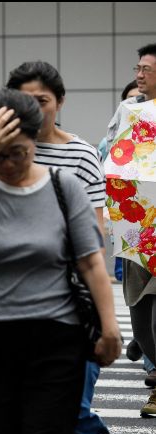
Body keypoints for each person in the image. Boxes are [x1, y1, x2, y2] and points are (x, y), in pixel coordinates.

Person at [0, 89, 121, 434]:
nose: (8, 164)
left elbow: (91, 261)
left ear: (34, 142)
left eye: (19, 153)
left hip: (55, 341)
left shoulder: (64, 187)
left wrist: (110, 328)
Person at [6, 60, 109, 434]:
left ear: (60, 103)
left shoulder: (81, 155)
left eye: (42, 100)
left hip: (72, 300)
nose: (33, 108)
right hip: (14, 302)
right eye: (24, 100)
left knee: (74, 408)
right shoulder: (0, 152)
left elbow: (95, 235)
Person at [106, 42, 156, 419]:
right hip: (137, 228)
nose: (138, 75)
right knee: (140, 321)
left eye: (146, 69)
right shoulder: (129, 111)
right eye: (137, 69)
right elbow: (112, 158)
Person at [100, 81, 140, 283]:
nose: (135, 104)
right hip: (124, 214)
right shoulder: (108, 142)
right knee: (124, 273)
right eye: (130, 100)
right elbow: (103, 178)